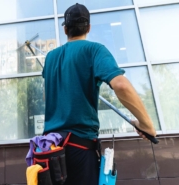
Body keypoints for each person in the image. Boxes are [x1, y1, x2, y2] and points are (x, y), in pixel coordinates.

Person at [42, 3, 156, 185]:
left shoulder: (50, 58)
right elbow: (121, 85)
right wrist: (146, 124)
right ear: (88, 27)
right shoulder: (94, 50)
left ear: (65, 30)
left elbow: (46, 98)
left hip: (50, 152)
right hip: (80, 149)